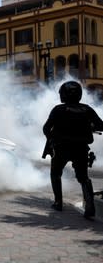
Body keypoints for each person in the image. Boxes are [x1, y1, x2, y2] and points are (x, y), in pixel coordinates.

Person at [43, 80, 103, 218]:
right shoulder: (87, 109)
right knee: (83, 178)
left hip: (61, 148)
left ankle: (58, 202)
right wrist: (89, 127)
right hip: (81, 148)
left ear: (63, 95)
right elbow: (101, 125)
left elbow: (46, 128)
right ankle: (90, 206)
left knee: (55, 173)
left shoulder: (58, 109)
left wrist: (51, 139)